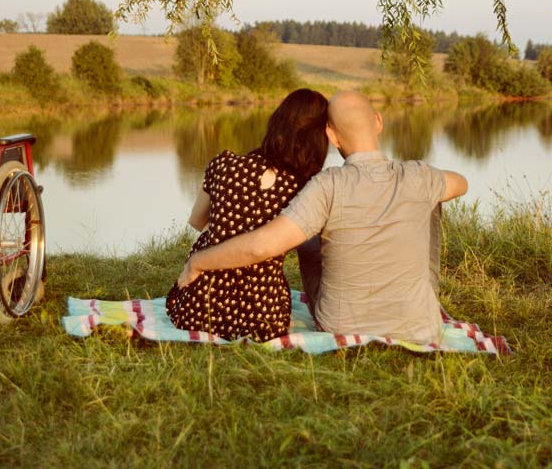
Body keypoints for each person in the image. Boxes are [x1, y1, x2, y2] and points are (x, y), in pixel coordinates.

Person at [176, 90, 468, 345]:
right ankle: (415, 300)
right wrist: (415, 184)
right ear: (378, 121)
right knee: (430, 199)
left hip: (343, 325)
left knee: (308, 229)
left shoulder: (326, 185)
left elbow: (261, 246)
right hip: (420, 327)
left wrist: (199, 261)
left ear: (330, 134)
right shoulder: (419, 175)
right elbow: (461, 183)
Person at [165, 88, 329, 342]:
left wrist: (229, 225)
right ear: (319, 139)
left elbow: (197, 221)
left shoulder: (224, 164)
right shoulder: (306, 187)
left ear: (277, 121)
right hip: (262, 315)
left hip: (199, 308)